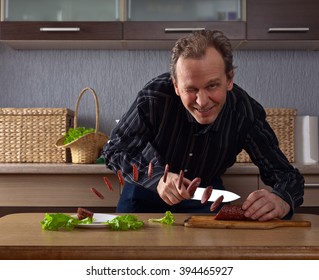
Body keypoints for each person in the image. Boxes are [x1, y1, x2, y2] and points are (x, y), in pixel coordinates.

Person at [102, 30, 304, 221]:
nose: (202, 101)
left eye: (212, 86)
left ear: (230, 79)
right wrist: (157, 179)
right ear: (176, 86)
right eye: (191, 89)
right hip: (144, 192)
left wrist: (282, 199)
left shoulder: (245, 113)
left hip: (206, 197)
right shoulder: (155, 98)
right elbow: (114, 150)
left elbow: (286, 175)